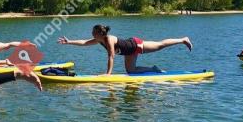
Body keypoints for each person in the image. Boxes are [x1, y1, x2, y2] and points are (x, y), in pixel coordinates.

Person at [58, 24, 193, 75]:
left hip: (135, 45)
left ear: (100, 33)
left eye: (93, 32)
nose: (91, 34)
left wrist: (108, 74)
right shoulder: (98, 40)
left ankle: (183, 39)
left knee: (159, 45)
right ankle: (154, 69)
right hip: (129, 52)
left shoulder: (109, 39)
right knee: (131, 71)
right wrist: (69, 42)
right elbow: (84, 43)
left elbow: (111, 56)